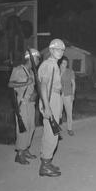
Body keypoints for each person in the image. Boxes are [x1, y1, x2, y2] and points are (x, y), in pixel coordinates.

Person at [37, 38, 65, 177]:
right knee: (51, 134)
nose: (60, 51)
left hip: (53, 98)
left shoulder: (52, 64)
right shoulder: (51, 65)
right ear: (51, 50)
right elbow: (43, 85)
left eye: (62, 49)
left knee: (50, 131)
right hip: (50, 99)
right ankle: (45, 166)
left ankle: (47, 161)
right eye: (57, 49)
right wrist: (47, 107)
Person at [8, 48, 40, 165]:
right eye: (37, 59)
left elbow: (34, 89)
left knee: (31, 127)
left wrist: (35, 95)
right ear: (31, 59)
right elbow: (10, 84)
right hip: (22, 104)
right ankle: (19, 154)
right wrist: (24, 83)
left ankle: (25, 149)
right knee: (23, 128)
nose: (38, 61)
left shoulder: (32, 72)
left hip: (31, 104)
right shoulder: (18, 70)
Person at [59, 56, 76, 136]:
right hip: (58, 95)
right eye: (62, 63)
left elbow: (73, 84)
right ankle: (57, 129)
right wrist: (61, 73)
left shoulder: (70, 72)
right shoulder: (56, 71)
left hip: (68, 94)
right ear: (60, 63)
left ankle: (69, 129)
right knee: (58, 113)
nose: (64, 65)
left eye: (65, 63)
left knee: (69, 112)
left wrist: (73, 94)